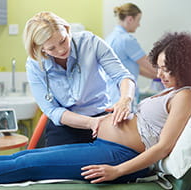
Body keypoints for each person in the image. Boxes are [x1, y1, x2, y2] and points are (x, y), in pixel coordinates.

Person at [0, 32, 191, 184]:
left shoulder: (186, 96)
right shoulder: (170, 92)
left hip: (119, 156)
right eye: (158, 67)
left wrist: (117, 170)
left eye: (166, 70)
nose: (160, 75)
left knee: (28, 165)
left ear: (185, 67)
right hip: (107, 144)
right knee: (23, 157)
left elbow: (161, 148)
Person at [23, 11, 136, 147]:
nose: (60, 50)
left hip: (101, 116)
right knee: (59, 165)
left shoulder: (90, 43)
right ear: (41, 49)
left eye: (63, 41)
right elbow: (52, 110)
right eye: (51, 48)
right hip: (66, 124)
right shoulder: (35, 65)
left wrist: (125, 100)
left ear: (67, 30)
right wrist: (90, 123)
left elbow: (122, 76)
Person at [105, 3, 157, 107]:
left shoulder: (110, 38)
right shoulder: (126, 40)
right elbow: (150, 65)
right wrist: (173, 76)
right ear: (130, 19)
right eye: (138, 20)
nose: (139, 24)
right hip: (122, 94)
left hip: (110, 94)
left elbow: (134, 68)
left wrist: (156, 76)